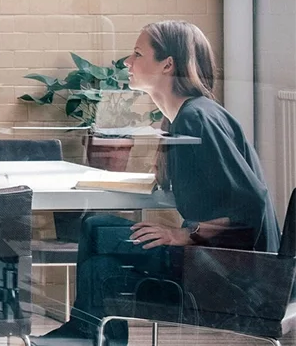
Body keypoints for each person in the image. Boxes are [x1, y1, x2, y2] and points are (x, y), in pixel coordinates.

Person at [33, 21, 278, 346]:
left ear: (167, 64)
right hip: (210, 258)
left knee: (99, 252)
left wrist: (182, 234)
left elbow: (253, 204)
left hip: (231, 273)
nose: (127, 63)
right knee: (96, 236)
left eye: (137, 54)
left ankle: (86, 337)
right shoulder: (183, 117)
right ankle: (87, 336)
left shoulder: (197, 118)